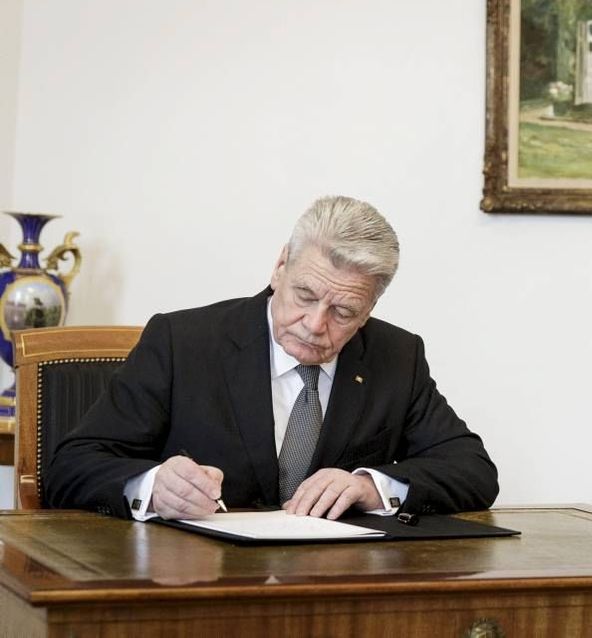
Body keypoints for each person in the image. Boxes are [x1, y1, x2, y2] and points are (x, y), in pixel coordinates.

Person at [46, 196, 499, 521]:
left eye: (343, 311)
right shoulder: (183, 341)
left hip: (334, 593)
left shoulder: (396, 356)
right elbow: (71, 466)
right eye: (304, 294)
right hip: (195, 586)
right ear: (280, 266)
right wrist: (151, 487)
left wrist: (369, 486)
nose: (315, 323)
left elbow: (473, 470)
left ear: (369, 310)